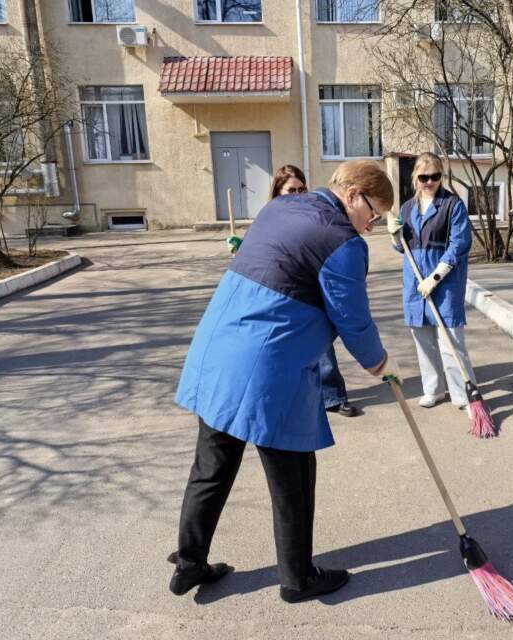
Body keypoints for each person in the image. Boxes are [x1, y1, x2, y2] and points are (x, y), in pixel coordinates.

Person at [170, 160, 399, 601]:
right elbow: (351, 317)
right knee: (292, 474)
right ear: (351, 194)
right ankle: (297, 579)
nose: (370, 226)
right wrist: (379, 363)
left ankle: (188, 562)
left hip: (219, 351)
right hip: (269, 369)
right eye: (372, 214)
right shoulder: (342, 242)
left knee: (212, 466)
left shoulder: (280, 208)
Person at [388, 152, 478, 411]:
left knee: (451, 341)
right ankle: (434, 389)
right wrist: (395, 237)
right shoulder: (407, 208)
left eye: (435, 177)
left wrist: (436, 276)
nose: (429, 182)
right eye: (424, 177)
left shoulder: (452, 205)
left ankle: (463, 395)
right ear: (415, 176)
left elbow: (459, 244)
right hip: (415, 280)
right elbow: (402, 248)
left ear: (441, 176)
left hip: (445, 281)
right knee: (423, 338)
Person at [270, 164, 361, 418]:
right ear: (278, 192)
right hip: (285, 290)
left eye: (302, 189)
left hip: (313, 286)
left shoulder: (313, 213)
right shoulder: (272, 215)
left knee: (321, 341)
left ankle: (332, 395)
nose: (298, 194)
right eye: (291, 190)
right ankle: (295, 396)